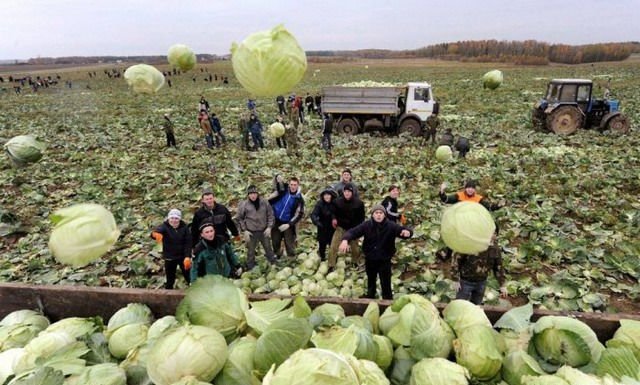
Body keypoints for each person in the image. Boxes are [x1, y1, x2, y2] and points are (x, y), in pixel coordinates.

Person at [339, 205, 413, 299]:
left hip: (384, 259)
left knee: (385, 282)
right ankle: (370, 296)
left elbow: (403, 231)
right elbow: (353, 232)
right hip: (370, 259)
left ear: (384, 215)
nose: (378, 215)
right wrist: (345, 239)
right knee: (371, 280)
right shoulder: (367, 225)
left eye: (381, 213)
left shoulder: (391, 226)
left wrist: (408, 232)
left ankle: (387, 300)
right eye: (376, 213)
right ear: (372, 215)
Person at [452, 231, 506, 305]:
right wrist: (455, 279)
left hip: (481, 283)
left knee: (476, 306)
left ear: (496, 235)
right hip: (465, 282)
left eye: (494, 233)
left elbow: (498, 267)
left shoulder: (495, 249)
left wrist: (502, 285)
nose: (491, 235)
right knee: (460, 304)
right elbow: (456, 260)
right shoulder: (470, 245)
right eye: (490, 232)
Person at [235, 185, 277, 269]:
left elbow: (270, 215)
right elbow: (239, 218)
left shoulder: (264, 202)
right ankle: (250, 266)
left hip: (263, 230)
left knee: (268, 247)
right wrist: (245, 230)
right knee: (250, 251)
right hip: (251, 232)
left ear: (257, 194)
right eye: (251, 194)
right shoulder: (244, 205)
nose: (253, 196)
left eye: (254, 193)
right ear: (248, 195)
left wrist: (269, 227)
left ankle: (273, 262)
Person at [151, 209, 191, 289]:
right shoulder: (165, 227)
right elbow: (158, 231)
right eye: (172, 218)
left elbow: (188, 243)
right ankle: (168, 293)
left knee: (188, 275)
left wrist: (187, 256)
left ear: (179, 219)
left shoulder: (185, 228)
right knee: (170, 278)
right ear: (168, 218)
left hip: (182, 256)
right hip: (170, 257)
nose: (174, 220)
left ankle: (193, 288)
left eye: (176, 218)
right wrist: (155, 234)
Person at [328, 183, 365, 272]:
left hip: (353, 228)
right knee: (333, 246)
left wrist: (358, 229)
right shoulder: (337, 202)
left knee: (355, 248)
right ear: (343, 192)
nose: (347, 193)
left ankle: (355, 261)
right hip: (341, 227)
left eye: (349, 191)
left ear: (352, 192)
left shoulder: (359, 203)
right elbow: (333, 212)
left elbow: (361, 218)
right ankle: (331, 265)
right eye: (345, 191)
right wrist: (333, 219)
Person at [270, 176, 305, 259]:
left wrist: (289, 224)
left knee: (289, 241)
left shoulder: (299, 199)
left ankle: (291, 257)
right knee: (275, 240)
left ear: (298, 186)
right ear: (289, 184)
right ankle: (278, 253)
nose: (293, 186)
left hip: (287, 222)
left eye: (295, 185)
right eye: (291, 184)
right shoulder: (283, 190)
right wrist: (277, 177)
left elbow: (299, 214)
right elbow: (275, 184)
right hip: (276, 220)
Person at [310, 187, 337, 261]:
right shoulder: (320, 204)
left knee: (333, 245)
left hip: (333, 228)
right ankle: (322, 258)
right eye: (325, 195)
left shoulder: (335, 203)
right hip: (322, 227)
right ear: (323, 196)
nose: (327, 197)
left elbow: (340, 213)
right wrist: (317, 222)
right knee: (322, 245)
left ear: (331, 196)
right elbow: (313, 214)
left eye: (328, 195)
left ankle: (333, 260)